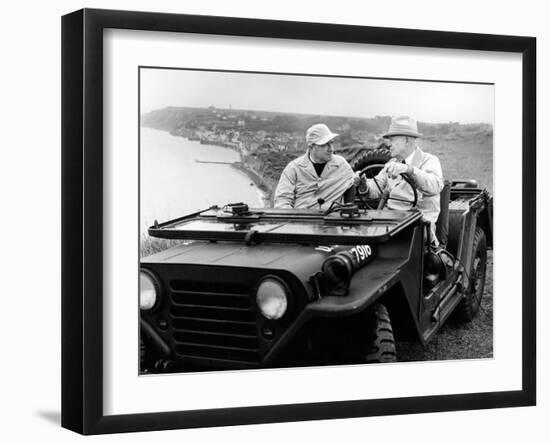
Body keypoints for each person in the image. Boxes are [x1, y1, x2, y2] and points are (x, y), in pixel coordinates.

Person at [357, 115, 444, 243]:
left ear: (406, 140)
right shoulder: (391, 163)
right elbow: (376, 189)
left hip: (418, 228)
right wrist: (364, 184)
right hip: (388, 224)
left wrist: (409, 170)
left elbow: (435, 186)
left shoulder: (429, 161)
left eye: (392, 140)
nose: (388, 145)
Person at [274, 123, 359, 210]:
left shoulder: (341, 165)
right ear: (311, 146)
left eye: (331, 143)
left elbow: (363, 188)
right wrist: (292, 221)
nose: (331, 149)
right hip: (301, 219)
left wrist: (364, 186)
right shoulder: (293, 169)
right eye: (324, 144)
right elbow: (282, 201)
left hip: (331, 220)